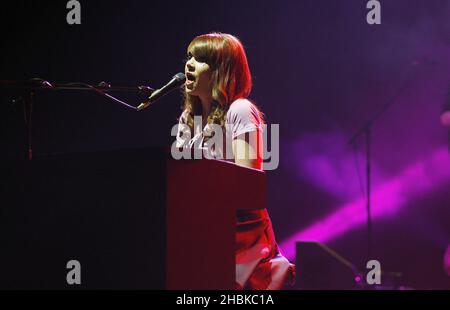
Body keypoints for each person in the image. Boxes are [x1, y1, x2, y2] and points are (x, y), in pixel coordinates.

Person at [175, 32, 294, 289]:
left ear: (221, 70)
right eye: (189, 56)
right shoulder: (188, 119)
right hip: (203, 237)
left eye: (201, 59)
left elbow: (248, 191)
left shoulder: (239, 110)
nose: (189, 64)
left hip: (242, 246)